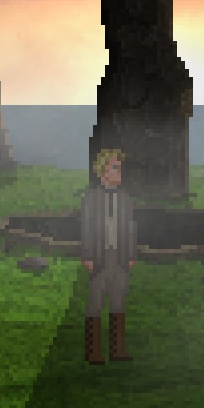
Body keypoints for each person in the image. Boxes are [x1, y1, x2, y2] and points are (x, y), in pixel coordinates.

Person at [80, 148, 137, 364]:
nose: (119, 171)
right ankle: (93, 351)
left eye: (120, 168)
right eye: (115, 167)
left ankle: (117, 350)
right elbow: (86, 228)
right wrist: (88, 255)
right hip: (99, 257)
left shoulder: (125, 198)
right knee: (95, 302)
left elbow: (131, 229)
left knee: (118, 301)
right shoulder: (91, 198)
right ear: (104, 171)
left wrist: (131, 254)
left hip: (120, 258)